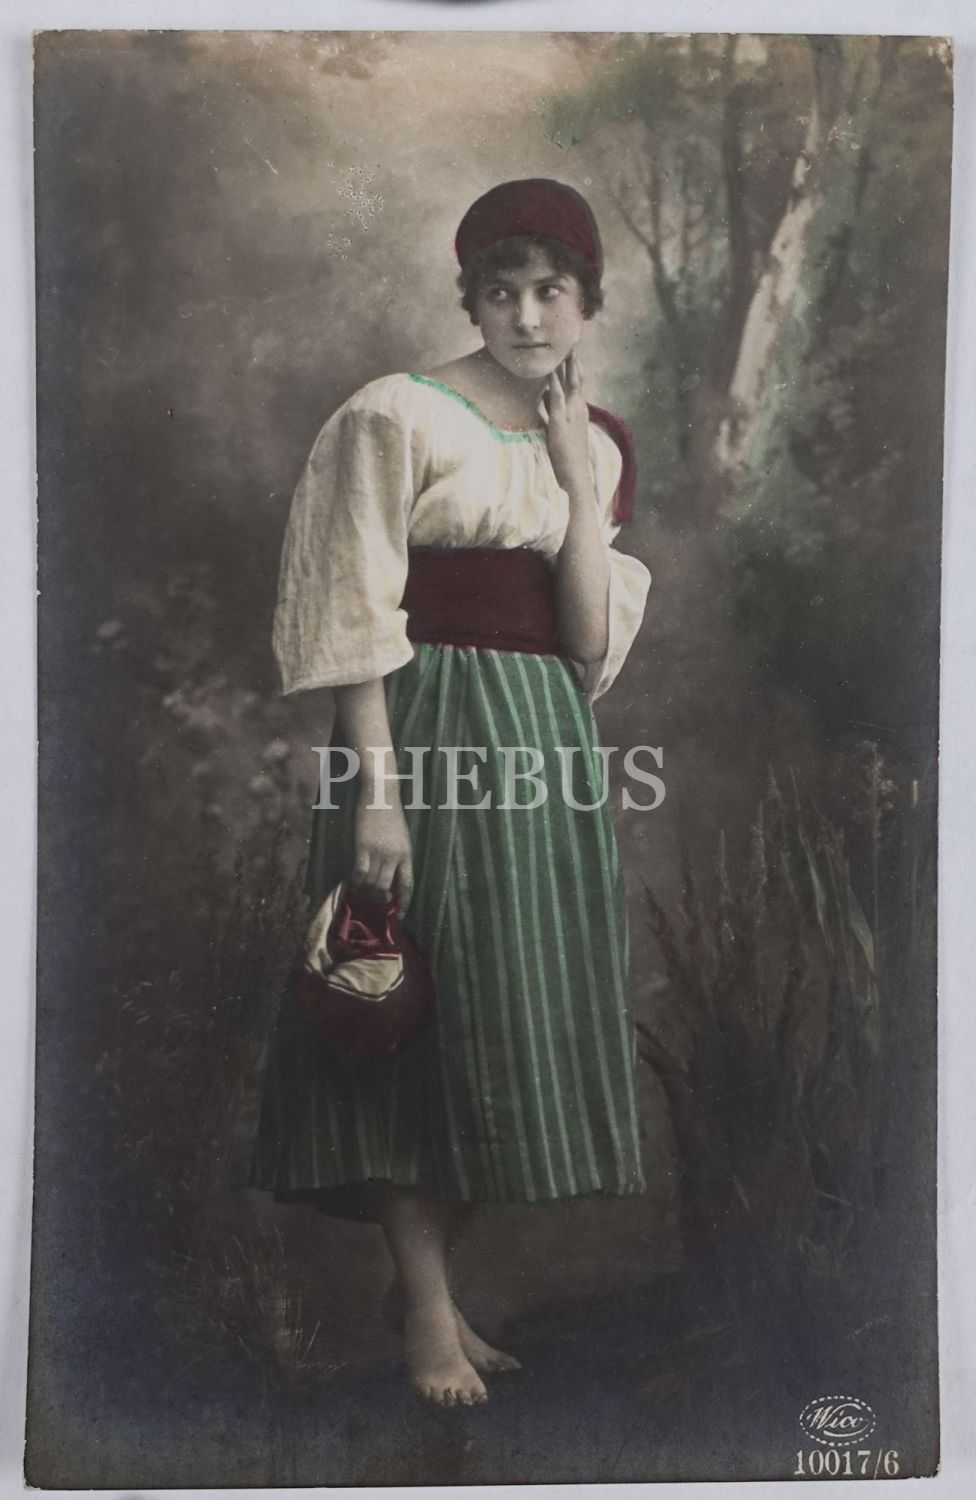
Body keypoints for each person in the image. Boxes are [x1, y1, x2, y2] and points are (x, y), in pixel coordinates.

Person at [247, 179, 651, 1407]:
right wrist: (378, 792)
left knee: (508, 1011)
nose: (527, 315)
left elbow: (586, 641)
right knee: (409, 1010)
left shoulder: (598, 440)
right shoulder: (394, 414)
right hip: (414, 729)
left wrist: (575, 477)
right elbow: (349, 610)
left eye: (551, 291)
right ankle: (425, 1307)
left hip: (540, 742)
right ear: (469, 299)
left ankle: (429, 1288)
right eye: (501, 291)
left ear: (586, 304)